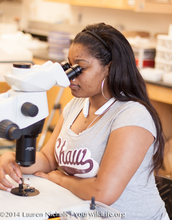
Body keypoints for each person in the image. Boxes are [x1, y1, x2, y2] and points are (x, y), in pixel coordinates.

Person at [0, 22, 169, 219]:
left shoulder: (132, 116)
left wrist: (60, 178)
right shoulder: (76, 105)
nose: (69, 77)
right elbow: (47, 158)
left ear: (109, 68)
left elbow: (103, 193)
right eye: (69, 66)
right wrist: (12, 160)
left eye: (80, 68)